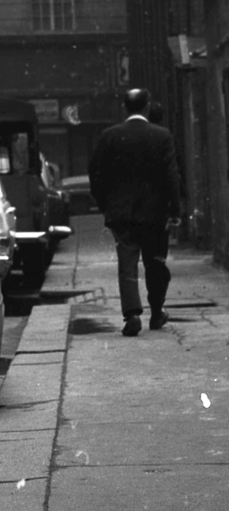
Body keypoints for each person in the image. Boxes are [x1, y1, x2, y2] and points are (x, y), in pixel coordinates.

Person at [88, 86, 182, 337]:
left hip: (122, 215)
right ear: (147, 106)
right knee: (156, 263)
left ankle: (131, 315)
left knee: (127, 264)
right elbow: (171, 175)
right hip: (155, 214)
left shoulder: (109, 136)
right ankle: (157, 311)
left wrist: (105, 204)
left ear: (124, 107)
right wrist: (175, 209)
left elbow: (95, 174)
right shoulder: (162, 136)